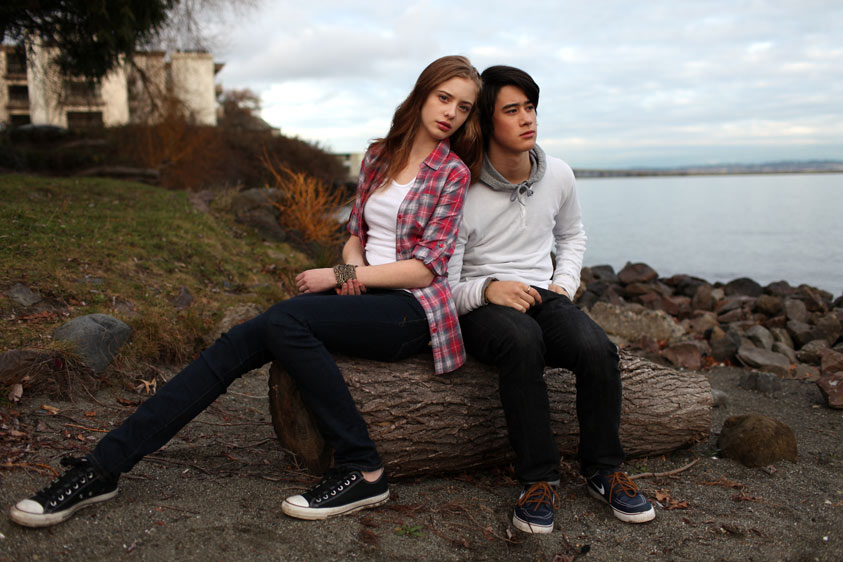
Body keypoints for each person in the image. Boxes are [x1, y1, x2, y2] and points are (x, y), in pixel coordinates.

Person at [10, 55, 483, 528]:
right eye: (444, 98)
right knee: (241, 339)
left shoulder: (452, 173)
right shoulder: (379, 155)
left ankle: (364, 468)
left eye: (463, 107)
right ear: (422, 94)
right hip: (361, 294)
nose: (451, 113)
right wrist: (352, 267)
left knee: (283, 320)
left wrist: (338, 276)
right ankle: (102, 467)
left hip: (411, 310)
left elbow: (425, 270)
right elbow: (356, 232)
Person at [447, 65, 655, 534]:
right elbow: (445, 283)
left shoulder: (558, 173)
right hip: (480, 302)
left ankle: (604, 470)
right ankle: (538, 480)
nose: (527, 118)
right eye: (511, 110)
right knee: (522, 342)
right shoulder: (461, 186)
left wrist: (563, 284)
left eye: (530, 107)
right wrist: (488, 289)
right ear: (486, 121)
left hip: (543, 294)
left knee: (597, 348)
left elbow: (572, 235)